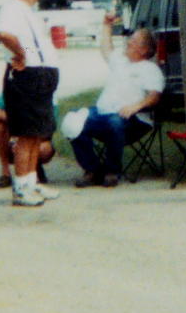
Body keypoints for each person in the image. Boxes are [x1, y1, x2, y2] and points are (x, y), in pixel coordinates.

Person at [69, 12, 164, 188]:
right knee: (72, 121)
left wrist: (136, 106)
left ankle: (112, 171)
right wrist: (106, 25)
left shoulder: (150, 69)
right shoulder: (120, 61)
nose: (128, 42)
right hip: (102, 113)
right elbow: (106, 49)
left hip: (133, 120)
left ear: (143, 50)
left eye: (133, 41)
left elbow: (154, 96)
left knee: (115, 122)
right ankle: (93, 170)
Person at [0, 0, 60, 207]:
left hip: (39, 74)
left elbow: (33, 45)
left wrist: (34, 57)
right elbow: (4, 34)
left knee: (36, 133)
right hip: (26, 79)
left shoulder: (28, 12)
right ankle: (21, 188)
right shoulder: (12, 8)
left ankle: (31, 182)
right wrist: (21, 55)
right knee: (25, 134)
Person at [0, 94, 54, 188]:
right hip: (15, 138)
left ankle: (33, 171)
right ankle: (6, 173)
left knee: (41, 145)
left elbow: (49, 126)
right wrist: (16, 120)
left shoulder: (45, 94)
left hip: (37, 139)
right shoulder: (17, 90)